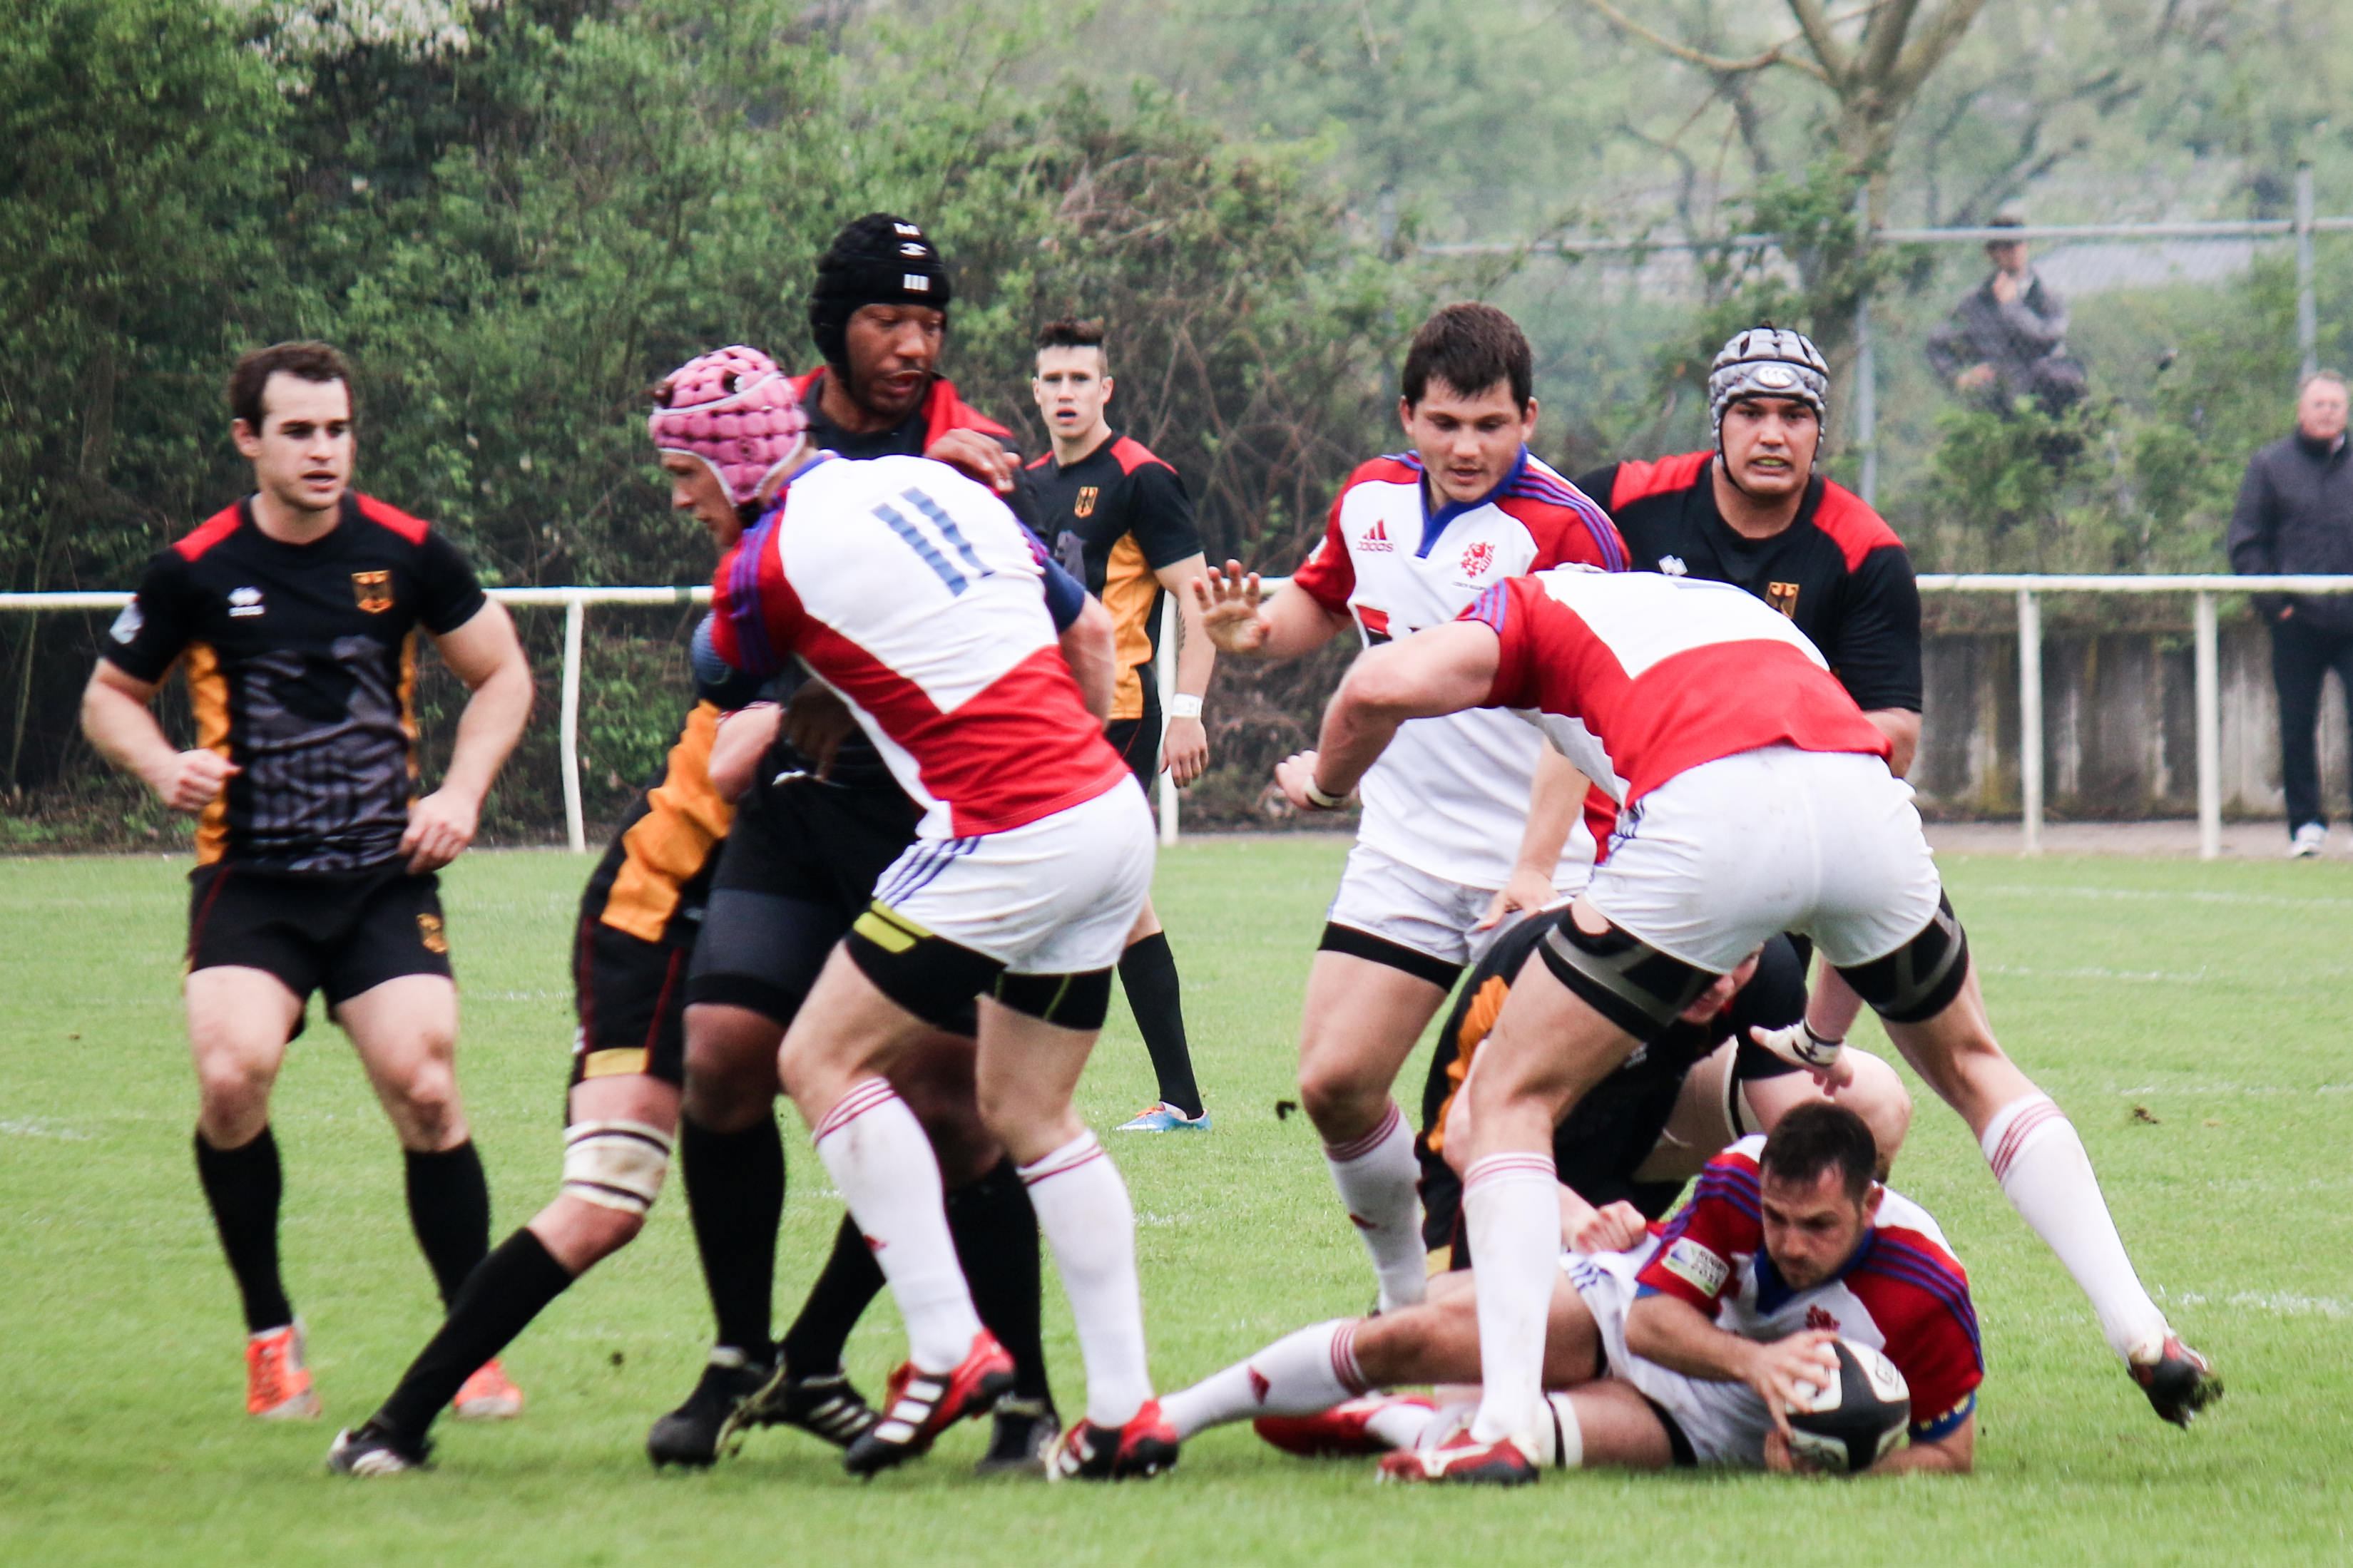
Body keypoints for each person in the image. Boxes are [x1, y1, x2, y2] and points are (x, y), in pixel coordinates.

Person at [1247, 558, 2220, 1480]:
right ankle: (2141, 1329)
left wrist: (1326, 783)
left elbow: (1375, 687)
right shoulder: (1727, 609)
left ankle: (1502, 1425)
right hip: (1862, 801)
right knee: (1972, 1064)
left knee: (1508, 1097)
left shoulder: (1524, 608)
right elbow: (1824, 824)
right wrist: (1822, 1038)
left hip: (1709, 809)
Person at [653, 222, 1081, 1473]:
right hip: (794, 803)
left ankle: (1016, 1392)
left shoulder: (975, 449)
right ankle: (744, 1352)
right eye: (887, 320)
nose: (911, 346)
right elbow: (739, 608)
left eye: (930, 324)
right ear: (831, 327)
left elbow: (1026, 622)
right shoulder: (764, 424)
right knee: (724, 1055)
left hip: (924, 815)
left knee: (957, 1109)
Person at [80, 340, 534, 1422]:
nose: (323, 450)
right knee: (231, 1076)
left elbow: (503, 672)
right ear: (249, 439)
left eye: (337, 429)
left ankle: (468, 1343)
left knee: (427, 1086)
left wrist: (461, 793)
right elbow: (108, 696)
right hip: (250, 879)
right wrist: (161, 765)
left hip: (382, 876)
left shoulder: (409, 551)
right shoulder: (194, 568)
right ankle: (270, 1336)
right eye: (297, 431)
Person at [708, 433, 1175, 1481]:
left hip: (1002, 827)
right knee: (1029, 1113)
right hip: (1106, 807)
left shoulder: (764, 556)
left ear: (722, 474)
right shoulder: (933, 481)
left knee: (816, 1057)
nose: (685, 502)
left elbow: (724, 670)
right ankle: (1121, 1411)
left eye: (686, 482)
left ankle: (946, 1341)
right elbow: (1087, 629)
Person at [1199, 302, 1626, 1313]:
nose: (1465, 447)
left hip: (1547, 865)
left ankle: (1579, 1313)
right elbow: (1322, 600)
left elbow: (1580, 717)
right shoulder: (1369, 498)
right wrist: (1251, 633)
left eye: (1489, 424)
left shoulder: (1568, 529)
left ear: (1528, 418)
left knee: (1519, 1117)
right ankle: (1404, 1302)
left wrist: (1535, 867)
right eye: (1443, 423)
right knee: (1333, 1082)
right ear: (1406, 416)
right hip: (1403, 850)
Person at [1169, 1105, 1979, 1480]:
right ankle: (1170, 1418)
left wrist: (1841, 1465)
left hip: (1714, 1419)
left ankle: (1388, 1420)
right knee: (1404, 1337)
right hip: (1630, 1312)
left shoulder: (1926, 1291)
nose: (1791, 1244)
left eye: (1818, 1225)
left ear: (1870, 1203)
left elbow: (1949, 1453)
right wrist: (1757, 1364)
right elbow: (1654, 1323)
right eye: (1777, 1219)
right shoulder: (1738, 1177)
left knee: (1504, 1445)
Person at [1415, 923, 1912, 1271]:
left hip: (1639, 1124)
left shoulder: (1761, 962)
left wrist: (1862, 1243)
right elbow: (1465, 1135)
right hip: (1490, 1160)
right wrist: (1574, 1218)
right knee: (1482, 1361)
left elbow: (1800, 1140)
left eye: (1744, 957)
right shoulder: (1574, 960)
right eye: (1708, 957)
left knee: (1865, 1105)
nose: (1723, 983)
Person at [1026, 317, 1215, 1132]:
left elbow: (1200, 609)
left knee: (1071, 882)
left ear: (1104, 389)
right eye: (1053, 380)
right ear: (1035, 392)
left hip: (1120, 718)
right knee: (1115, 896)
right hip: (1039, 722)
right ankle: (1181, 1100)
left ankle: (1024, 1082)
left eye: (1081, 379)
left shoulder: (1142, 478)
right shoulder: (1024, 484)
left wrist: (1187, 712)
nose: (1066, 393)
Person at [1578, 327, 1921, 777]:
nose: (1772, 436)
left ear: (1819, 431)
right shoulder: (1619, 503)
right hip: (1630, 787)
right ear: (1718, 423)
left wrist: (1755, 754)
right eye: (1750, 413)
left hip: (1791, 794)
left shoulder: (1866, 552)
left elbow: (1897, 734)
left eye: (1795, 416)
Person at [2227, 369, 2353, 858]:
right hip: (2296, 622)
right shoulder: (2270, 465)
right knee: (2297, 726)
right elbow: (2246, 543)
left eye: (2335, 405)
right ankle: (2306, 826)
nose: (2327, 412)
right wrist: (2276, 607)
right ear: (2301, 411)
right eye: (2319, 404)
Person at [1926, 215, 2083, 416]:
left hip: (2046, 399)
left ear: (2026, 245)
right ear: (1991, 252)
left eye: (2018, 243)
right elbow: (1937, 344)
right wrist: (1958, 377)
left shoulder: (2047, 296)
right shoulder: (1975, 301)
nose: (2014, 251)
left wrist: (2012, 307)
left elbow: (2048, 338)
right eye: (2006, 246)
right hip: (1996, 399)